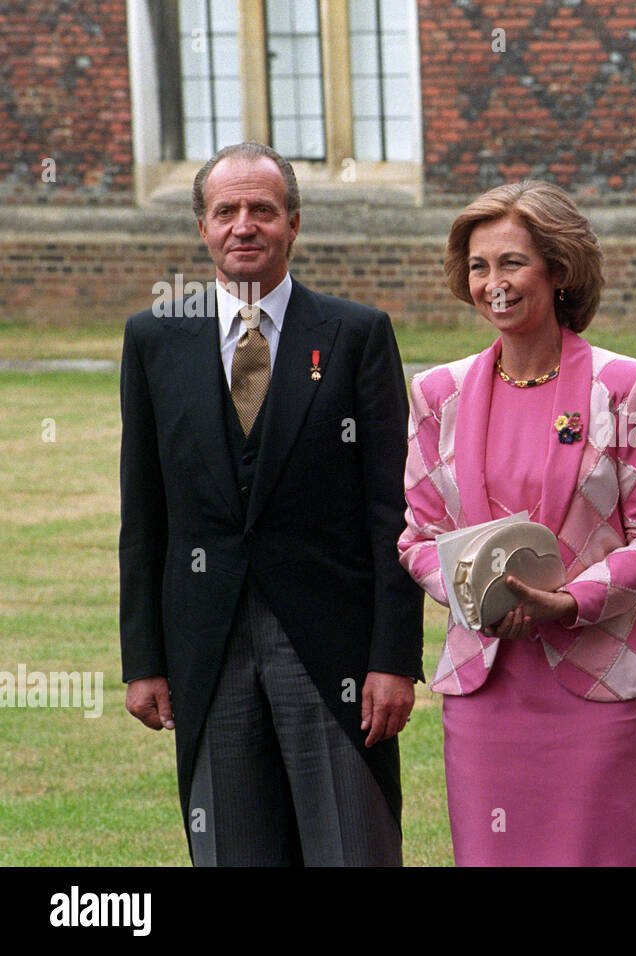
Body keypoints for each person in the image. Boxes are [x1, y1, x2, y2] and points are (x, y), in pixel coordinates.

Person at [119, 141, 424, 866]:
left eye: (263, 210)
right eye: (227, 211)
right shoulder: (155, 339)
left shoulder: (356, 337)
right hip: (206, 647)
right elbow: (145, 515)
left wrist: (393, 659)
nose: (244, 225)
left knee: (352, 847)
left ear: (294, 223)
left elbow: (395, 513)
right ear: (202, 228)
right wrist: (144, 660)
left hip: (332, 650)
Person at [397, 181, 636, 866]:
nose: (493, 283)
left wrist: (570, 601)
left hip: (599, 679)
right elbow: (418, 535)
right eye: (478, 266)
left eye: (512, 263)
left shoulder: (628, 387)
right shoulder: (438, 392)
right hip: (486, 683)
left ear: (559, 271)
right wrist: (472, 596)